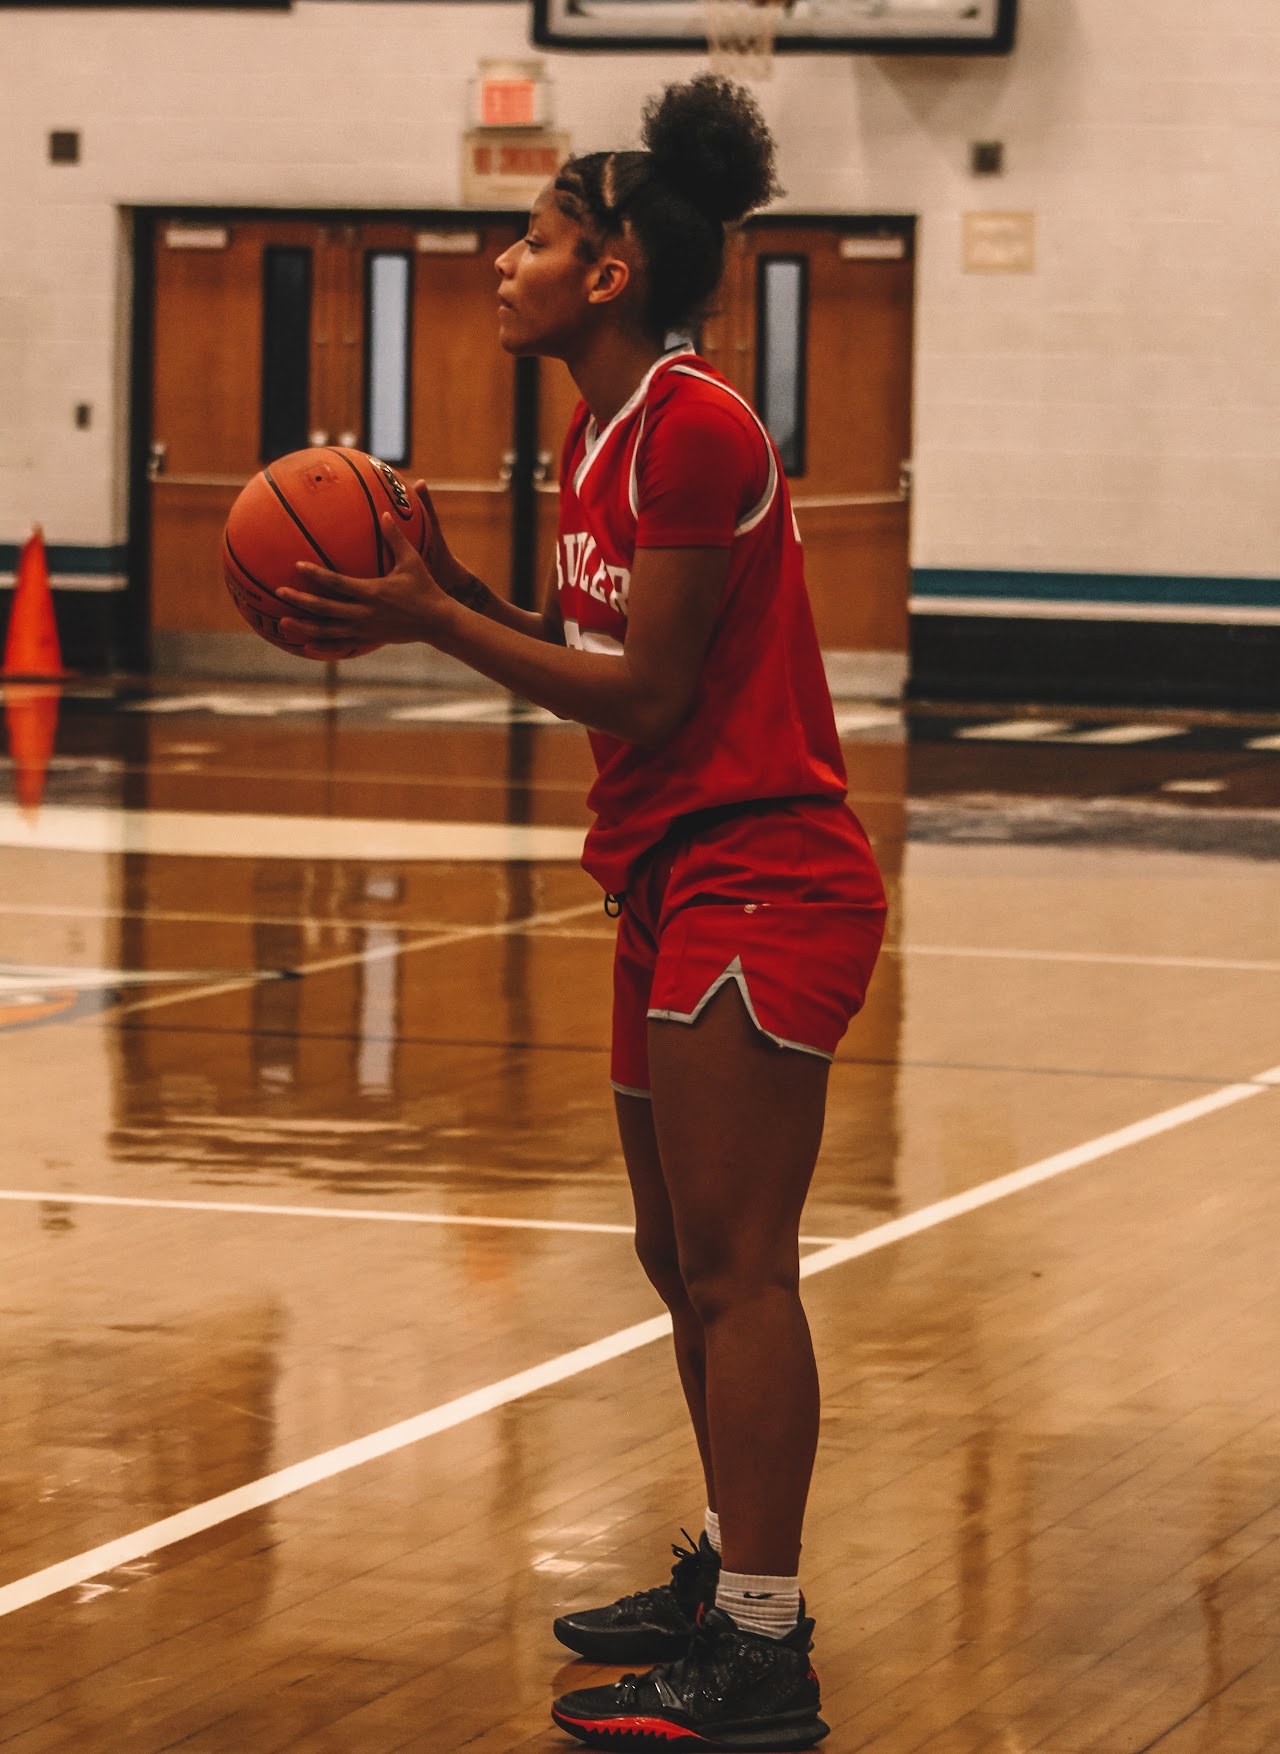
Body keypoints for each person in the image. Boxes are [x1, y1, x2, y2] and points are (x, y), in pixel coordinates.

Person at [277, 73, 886, 1754]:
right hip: (669, 873)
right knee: (675, 1257)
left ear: (611, 271)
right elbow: (595, 664)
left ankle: (764, 1648)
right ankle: (729, 1580)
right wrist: (453, 592)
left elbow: (644, 691)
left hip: (766, 868)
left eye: (536, 236)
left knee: (743, 1270)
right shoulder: (602, 432)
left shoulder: (698, 428)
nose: (503, 259)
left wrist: (425, 624)